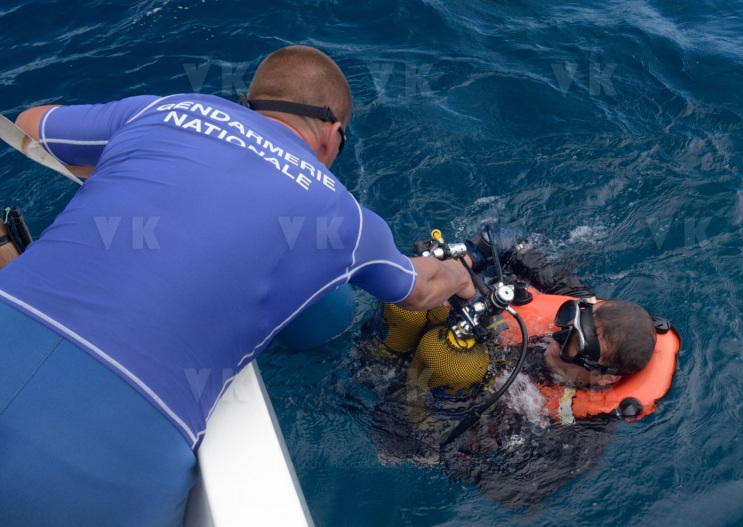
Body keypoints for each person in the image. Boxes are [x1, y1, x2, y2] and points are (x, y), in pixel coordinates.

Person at [0, 45, 475, 526]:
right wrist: (462, 272)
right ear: (333, 134)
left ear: (250, 102)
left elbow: (29, 125)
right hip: (115, 453)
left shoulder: (164, 109)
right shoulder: (345, 216)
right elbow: (420, 290)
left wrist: (123, 157)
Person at [364, 226, 674, 507]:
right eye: (569, 320)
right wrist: (463, 261)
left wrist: (452, 459)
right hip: (432, 357)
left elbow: (523, 492)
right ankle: (373, 362)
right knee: (411, 303)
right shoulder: (573, 293)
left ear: (604, 377)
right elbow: (504, 241)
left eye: (574, 343)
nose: (558, 337)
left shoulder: (584, 429)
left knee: (449, 362)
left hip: (443, 410)